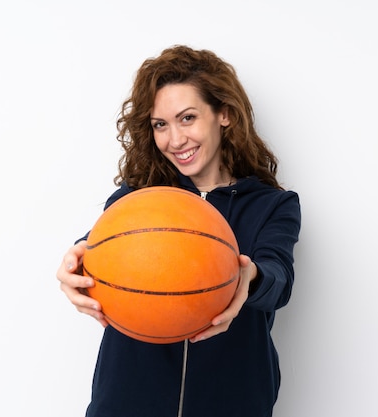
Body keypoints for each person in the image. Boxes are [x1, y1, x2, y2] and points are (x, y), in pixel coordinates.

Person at [56, 45, 301, 417]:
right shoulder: (136, 197)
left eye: (187, 118)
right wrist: (77, 261)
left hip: (233, 404)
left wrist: (250, 276)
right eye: (160, 125)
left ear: (225, 114)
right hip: (127, 404)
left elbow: (279, 279)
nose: (174, 139)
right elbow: (104, 244)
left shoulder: (272, 204)